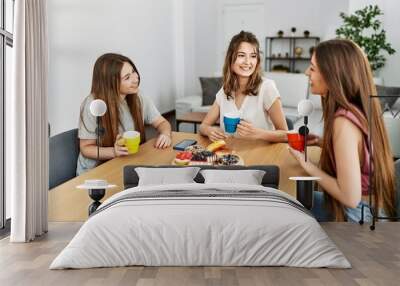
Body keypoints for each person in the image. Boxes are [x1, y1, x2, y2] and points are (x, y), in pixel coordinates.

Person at [288, 39, 396, 222]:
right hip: (373, 211)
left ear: (332, 74)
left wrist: (307, 165)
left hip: (357, 217)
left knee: (283, 203)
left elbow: (350, 198)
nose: (307, 73)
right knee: (288, 200)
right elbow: (361, 153)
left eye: (312, 68)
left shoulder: (343, 122)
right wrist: (325, 142)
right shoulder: (356, 110)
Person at [77, 53, 172, 175]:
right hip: (95, 173)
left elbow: (162, 122)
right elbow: (86, 148)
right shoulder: (93, 105)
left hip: (125, 164)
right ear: (110, 84)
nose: (135, 78)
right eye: (127, 77)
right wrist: (114, 152)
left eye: (133, 71)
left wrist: (165, 134)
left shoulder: (138, 96)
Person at [199, 31, 288, 142]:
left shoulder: (267, 87)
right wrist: (209, 131)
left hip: (261, 156)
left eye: (253, 56)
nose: (247, 62)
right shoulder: (225, 90)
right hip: (231, 156)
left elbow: (286, 134)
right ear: (231, 60)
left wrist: (258, 133)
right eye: (241, 55)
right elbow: (203, 126)